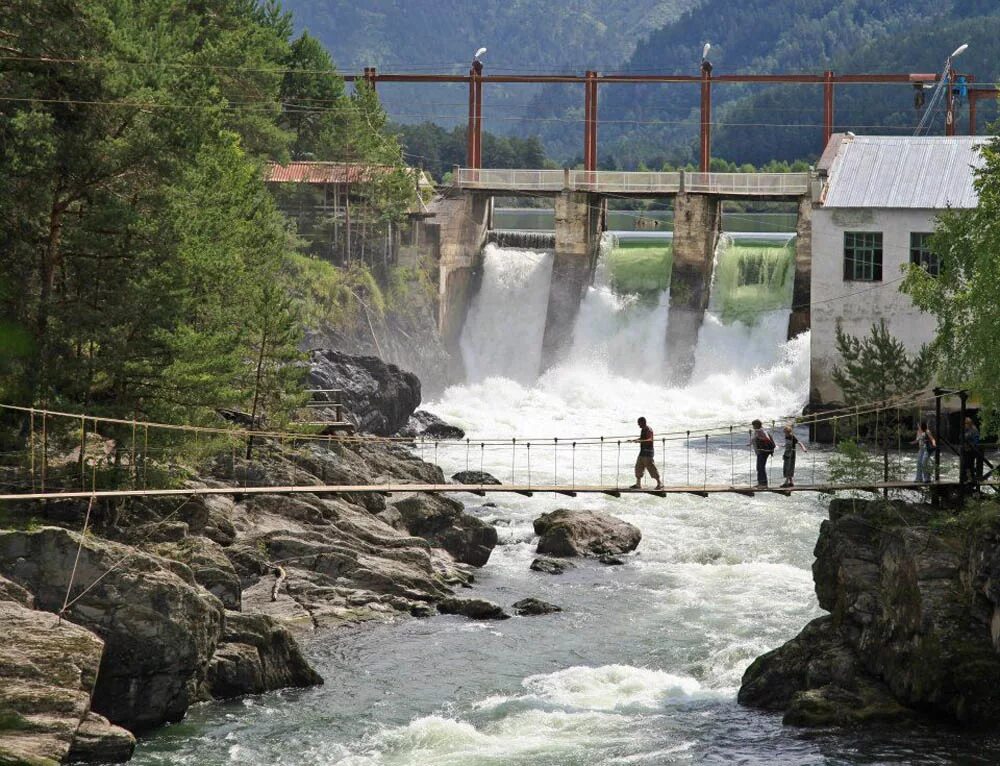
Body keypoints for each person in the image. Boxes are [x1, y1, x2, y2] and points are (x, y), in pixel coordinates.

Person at [629, 416, 662, 490]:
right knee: (638, 467)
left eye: (639, 423)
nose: (638, 425)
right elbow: (642, 438)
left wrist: (640, 441)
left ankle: (660, 483)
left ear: (643, 422)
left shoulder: (648, 429)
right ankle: (638, 484)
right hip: (642, 452)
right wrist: (634, 440)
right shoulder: (643, 430)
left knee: (651, 468)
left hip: (648, 452)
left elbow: (650, 439)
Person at [750, 419, 775, 487]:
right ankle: (760, 483)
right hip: (760, 451)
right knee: (759, 467)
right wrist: (750, 443)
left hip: (763, 451)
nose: (753, 426)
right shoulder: (757, 431)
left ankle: (763, 484)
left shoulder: (761, 431)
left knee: (761, 467)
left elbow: (767, 439)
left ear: (757, 425)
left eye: (753, 425)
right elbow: (755, 439)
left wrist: (759, 438)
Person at [961, 416, 983, 487]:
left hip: (971, 451)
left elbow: (976, 440)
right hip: (966, 450)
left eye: (966, 423)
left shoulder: (973, 429)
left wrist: (972, 446)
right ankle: (967, 479)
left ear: (969, 423)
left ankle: (971, 479)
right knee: (966, 465)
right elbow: (961, 437)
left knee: (969, 465)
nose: (964, 425)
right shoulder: (966, 429)